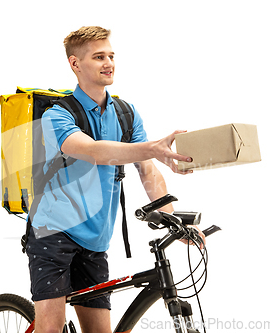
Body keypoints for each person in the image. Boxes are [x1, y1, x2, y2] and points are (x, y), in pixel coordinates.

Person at [25, 26, 205, 333]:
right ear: (75, 64)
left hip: (95, 238)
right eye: (98, 57)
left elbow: (147, 170)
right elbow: (93, 151)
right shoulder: (57, 114)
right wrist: (150, 148)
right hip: (52, 233)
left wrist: (173, 220)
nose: (108, 63)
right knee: (51, 329)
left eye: (110, 55)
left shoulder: (126, 113)